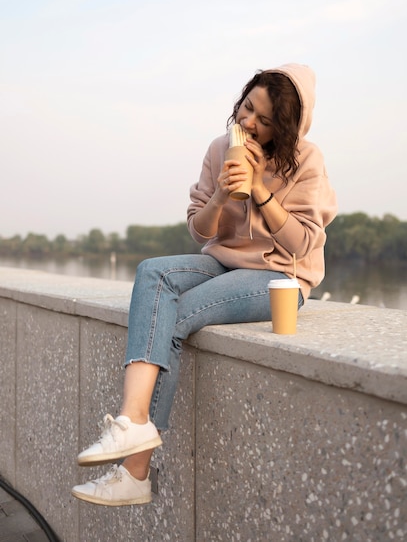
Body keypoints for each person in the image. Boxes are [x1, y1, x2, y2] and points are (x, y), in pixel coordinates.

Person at [71, 63, 337, 506]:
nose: (249, 123)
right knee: (152, 272)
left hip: (280, 277)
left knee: (173, 315)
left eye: (265, 121)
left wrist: (258, 191)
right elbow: (200, 231)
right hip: (222, 262)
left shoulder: (308, 160)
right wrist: (219, 194)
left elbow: (302, 243)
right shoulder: (220, 148)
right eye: (247, 108)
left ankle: (135, 473)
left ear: (285, 130)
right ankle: (133, 420)